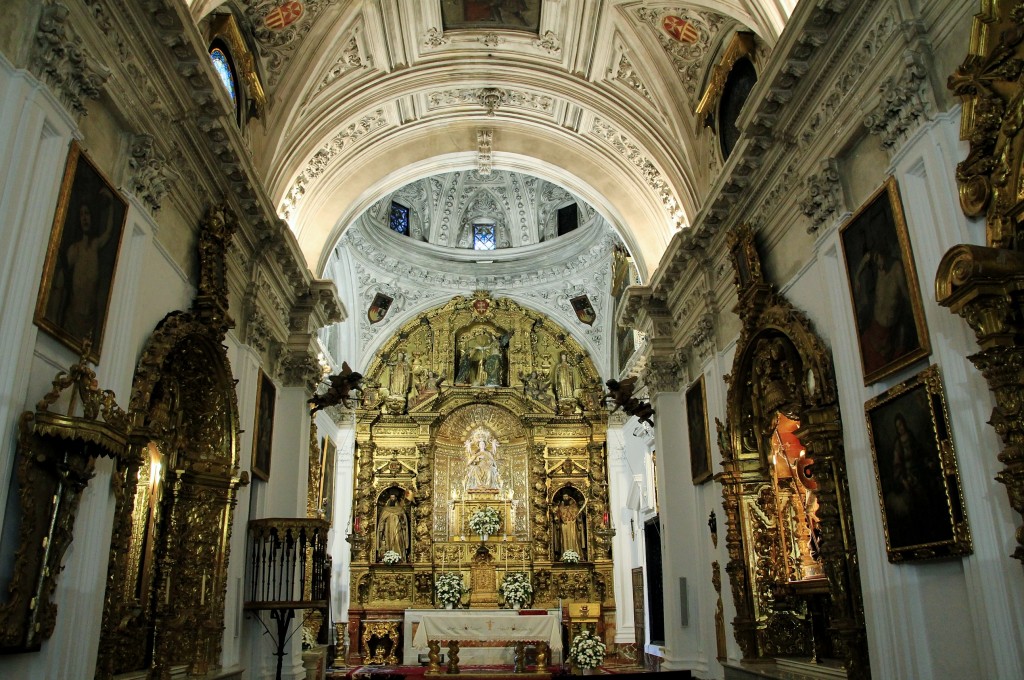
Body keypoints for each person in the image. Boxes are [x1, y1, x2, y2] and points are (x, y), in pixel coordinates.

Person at [48, 187, 117, 343]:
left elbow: (109, 231)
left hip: (89, 321)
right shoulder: (75, 249)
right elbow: (60, 282)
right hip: (73, 317)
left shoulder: (95, 246)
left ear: (93, 217)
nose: (84, 218)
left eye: (87, 214)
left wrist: (112, 205)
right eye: (81, 214)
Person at [852, 243, 913, 374]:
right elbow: (866, 258)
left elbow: (906, 296)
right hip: (876, 326)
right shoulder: (878, 264)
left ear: (885, 255)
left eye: (879, 261)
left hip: (890, 328)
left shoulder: (897, 269)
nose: (879, 266)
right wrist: (857, 277)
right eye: (876, 262)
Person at [378, 493, 408, 560]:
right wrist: (381, 529)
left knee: (398, 540)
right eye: (391, 497)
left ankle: (400, 557)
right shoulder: (385, 509)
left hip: (398, 528)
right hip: (388, 529)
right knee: (388, 542)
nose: (392, 499)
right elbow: (382, 520)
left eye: (393, 497)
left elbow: (404, 522)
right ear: (389, 498)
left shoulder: (400, 509)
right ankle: (388, 557)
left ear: (396, 498)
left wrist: (402, 518)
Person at [556, 493, 582, 558]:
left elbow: (577, 514)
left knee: (573, 538)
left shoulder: (574, 506)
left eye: (566, 496)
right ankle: (565, 554)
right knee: (564, 539)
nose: (565, 498)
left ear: (569, 497)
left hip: (572, 524)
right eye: (564, 497)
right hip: (564, 524)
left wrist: (575, 515)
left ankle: (575, 553)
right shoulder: (560, 507)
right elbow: (558, 516)